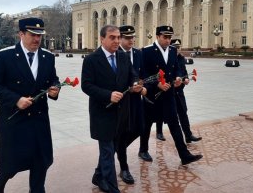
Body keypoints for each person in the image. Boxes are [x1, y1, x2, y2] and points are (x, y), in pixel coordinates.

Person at [0, 17, 60, 193]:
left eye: (40, 35)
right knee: (10, 163)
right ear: (21, 34)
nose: (37, 39)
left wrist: (55, 89)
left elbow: (53, 79)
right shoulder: (5, 55)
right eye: (33, 35)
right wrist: (16, 99)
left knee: (40, 160)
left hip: (39, 118)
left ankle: (37, 189)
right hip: (14, 118)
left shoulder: (47, 57)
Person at [81, 25, 143, 192]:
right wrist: (107, 95)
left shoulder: (123, 57)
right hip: (102, 113)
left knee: (112, 148)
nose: (116, 40)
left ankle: (98, 176)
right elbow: (86, 86)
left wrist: (135, 84)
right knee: (108, 151)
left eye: (118, 37)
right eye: (112, 37)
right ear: (102, 39)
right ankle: (112, 188)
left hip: (121, 113)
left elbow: (132, 75)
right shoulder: (91, 59)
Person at [138, 25, 203, 166]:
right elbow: (143, 74)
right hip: (152, 95)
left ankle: (184, 155)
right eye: (165, 37)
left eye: (170, 37)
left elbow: (177, 69)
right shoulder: (147, 51)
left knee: (174, 124)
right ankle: (143, 150)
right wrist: (157, 84)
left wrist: (178, 78)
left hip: (169, 94)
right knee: (147, 124)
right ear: (157, 36)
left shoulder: (173, 51)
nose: (168, 40)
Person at [115, 25, 147, 184]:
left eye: (132, 37)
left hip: (136, 98)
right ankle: (124, 168)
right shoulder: (116, 54)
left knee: (140, 128)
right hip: (122, 100)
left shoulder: (138, 53)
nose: (131, 40)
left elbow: (141, 74)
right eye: (127, 38)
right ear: (120, 38)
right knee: (123, 133)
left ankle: (114, 150)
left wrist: (142, 86)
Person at [171, 39, 202, 143]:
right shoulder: (168, 59)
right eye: (175, 47)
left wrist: (185, 80)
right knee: (169, 116)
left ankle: (188, 135)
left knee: (183, 112)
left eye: (178, 47)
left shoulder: (181, 58)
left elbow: (183, 72)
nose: (177, 49)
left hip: (179, 91)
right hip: (169, 91)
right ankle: (159, 131)